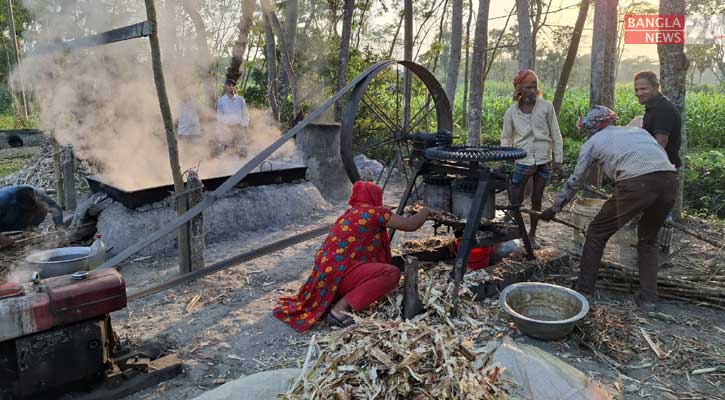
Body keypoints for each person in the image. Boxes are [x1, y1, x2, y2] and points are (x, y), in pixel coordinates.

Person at [540, 106, 677, 312]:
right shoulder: (637, 132)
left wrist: (555, 208)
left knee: (596, 232)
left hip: (636, 184)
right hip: (669, 180)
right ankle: (648, 298)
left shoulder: (592, 143)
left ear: (592, 127)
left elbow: (576, 180)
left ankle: (584, 290)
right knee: (648, 240)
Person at [273, 181, 432, 332]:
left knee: (367, 268)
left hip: (325, 276)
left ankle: (339, 297)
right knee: (390, 273)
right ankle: (339, 309)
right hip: (340, 273)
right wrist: (427, 209)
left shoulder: (348, 214)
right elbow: (411, 225)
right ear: (375, 197)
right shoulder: (375, 212)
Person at [501, 69, 563, 246]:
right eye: (528, 87)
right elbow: (506, 137)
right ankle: (515, 230)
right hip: (523, 159)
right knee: (516, 196)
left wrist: (558, 159)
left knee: (537, 197)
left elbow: (556, 134)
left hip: (544, 159)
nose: (532, 91)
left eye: (535, 86)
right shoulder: (511, 112)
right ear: (518, 89)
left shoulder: (546, 107)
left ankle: (533, 233)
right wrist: (506, 158)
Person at [633, 70, 681, 168]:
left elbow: (661, 143)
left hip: (660, 168)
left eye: (643, 89)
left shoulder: (662, 109)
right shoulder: (653, 106)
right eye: (636, 90)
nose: (639, 93)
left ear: (656, 87)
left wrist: (642, 166)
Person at [216, 79, 250, 156]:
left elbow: (245, 113)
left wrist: (244, 125)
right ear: (225, 87)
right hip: (226, 128)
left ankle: (244, 164)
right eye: (228, 85)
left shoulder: (240, 99)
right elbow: (219, 116)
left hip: (238, 127)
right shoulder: (221, 100)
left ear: (234, 87)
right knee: (226, 150)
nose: (230, 87)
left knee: (243, 148)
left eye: (232, 86)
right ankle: (228, 166)